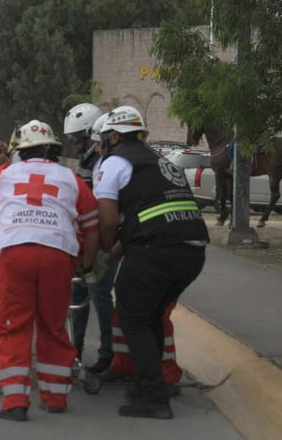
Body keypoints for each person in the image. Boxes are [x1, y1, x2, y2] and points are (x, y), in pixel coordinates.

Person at [94, 105, 208, 419]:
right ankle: (146, 386)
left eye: (105, 137)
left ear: (115, 135)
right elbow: (138, 225)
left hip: (157, 250)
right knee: (151, 316)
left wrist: (101, 254)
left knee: (132, 317)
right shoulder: (158, 161)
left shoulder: (115, 162)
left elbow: (107, 222)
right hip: (191, 250)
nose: (102, 143)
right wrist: (112, 256)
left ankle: (155, 397)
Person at [0, 120, 100, 422]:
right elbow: (91, 228)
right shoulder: (73, 179)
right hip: (57, 254)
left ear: (20, 152)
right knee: (53, 325)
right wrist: (86, 266)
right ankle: (55, 397)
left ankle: (14, 400)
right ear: (55, 150)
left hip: (16, 251)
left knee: (13, 325)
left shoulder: (5, 174)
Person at [62, 103, 115, 374]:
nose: (73, 145)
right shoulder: (86, 161)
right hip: (85, 240)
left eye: (76, 139)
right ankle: (75, 349)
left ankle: (107, 353)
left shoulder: (102, 162)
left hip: (103, 240)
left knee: (100, 293)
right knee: (79, 292)